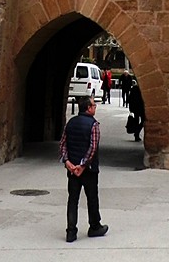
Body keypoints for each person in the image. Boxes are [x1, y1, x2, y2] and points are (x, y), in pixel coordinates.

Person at [59, 95, 109, 243]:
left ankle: (71, 231)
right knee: (92, 198)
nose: (95, 107)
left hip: (72, 169)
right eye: (93, 105)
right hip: (88, 169)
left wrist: (68, 162)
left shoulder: (70, 123)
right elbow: (92, 148)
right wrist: (83, 165)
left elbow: (63, 144)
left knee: (72, 199)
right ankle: (94, 226)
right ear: (88, 108)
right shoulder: (93, 125)